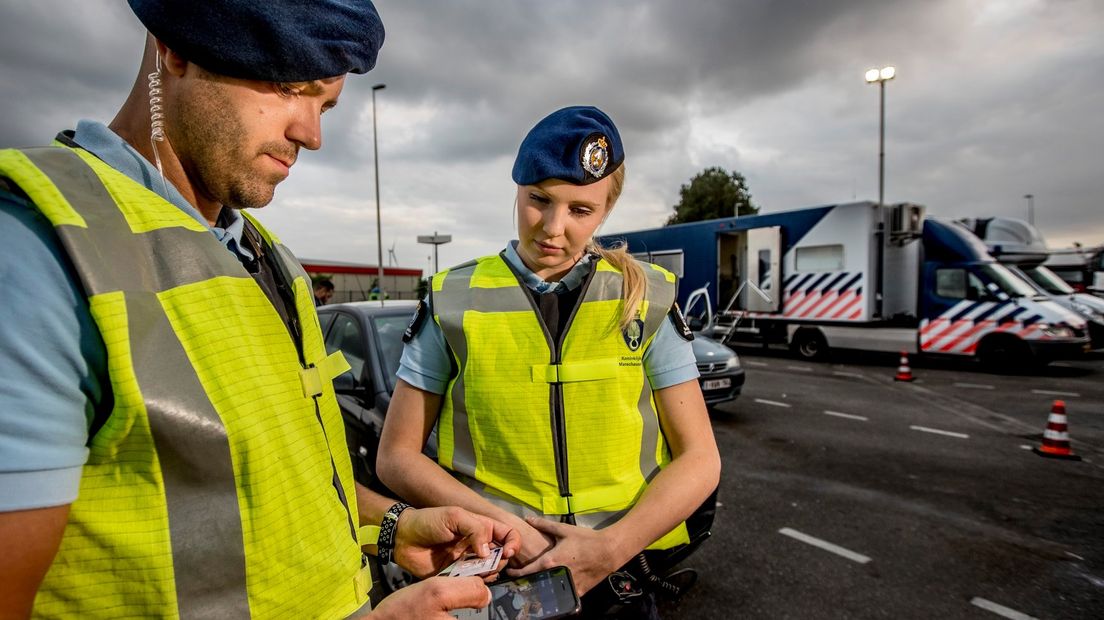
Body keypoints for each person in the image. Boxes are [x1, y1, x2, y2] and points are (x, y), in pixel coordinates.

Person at [0, 1, 520, 617]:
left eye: (324, 104)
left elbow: (278, 482)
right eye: (288, 86)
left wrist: (395, 524)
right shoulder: (37, 248)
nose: (312, 134)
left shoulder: (264, 257)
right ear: (175, 47)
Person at [377, 106, 722, 618]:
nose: (553, 229)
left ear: (605, 211)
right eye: (539, 200)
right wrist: (509, 528)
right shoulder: (451, 296)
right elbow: (396, 456)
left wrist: (607, 550)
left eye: (581, 210)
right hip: (496, 579)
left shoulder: (645, 296)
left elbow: (701, 459)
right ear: (516, 189)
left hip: (619, 582)